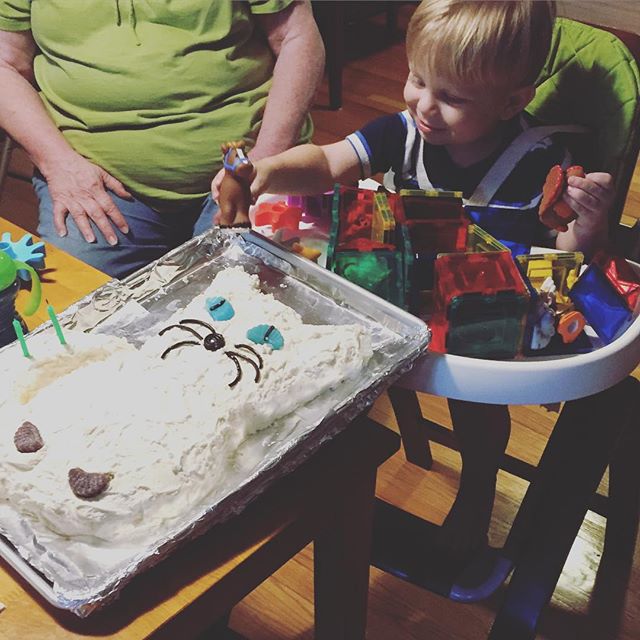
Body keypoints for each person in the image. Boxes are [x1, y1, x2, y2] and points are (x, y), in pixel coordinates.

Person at [222, 0, 615, 556]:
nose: (424, 106)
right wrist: (265, 171)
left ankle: (479, 488)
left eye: (451, 97)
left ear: (512, 101)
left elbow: (564, 260)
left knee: (474, 409)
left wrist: (589, 224)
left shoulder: (538, 162)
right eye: (416, 79)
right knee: (334, 368)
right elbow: (331, 163)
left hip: (484, 313)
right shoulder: (402, 133)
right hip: (403, 292)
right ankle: (329, 477)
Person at [0, 0, 324, 278]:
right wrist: (58, 163)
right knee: (75, 319)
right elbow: (5, 61)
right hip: (92, 180)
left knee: (257, 311)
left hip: (247, 165)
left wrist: (266, 164)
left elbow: (295, 36)